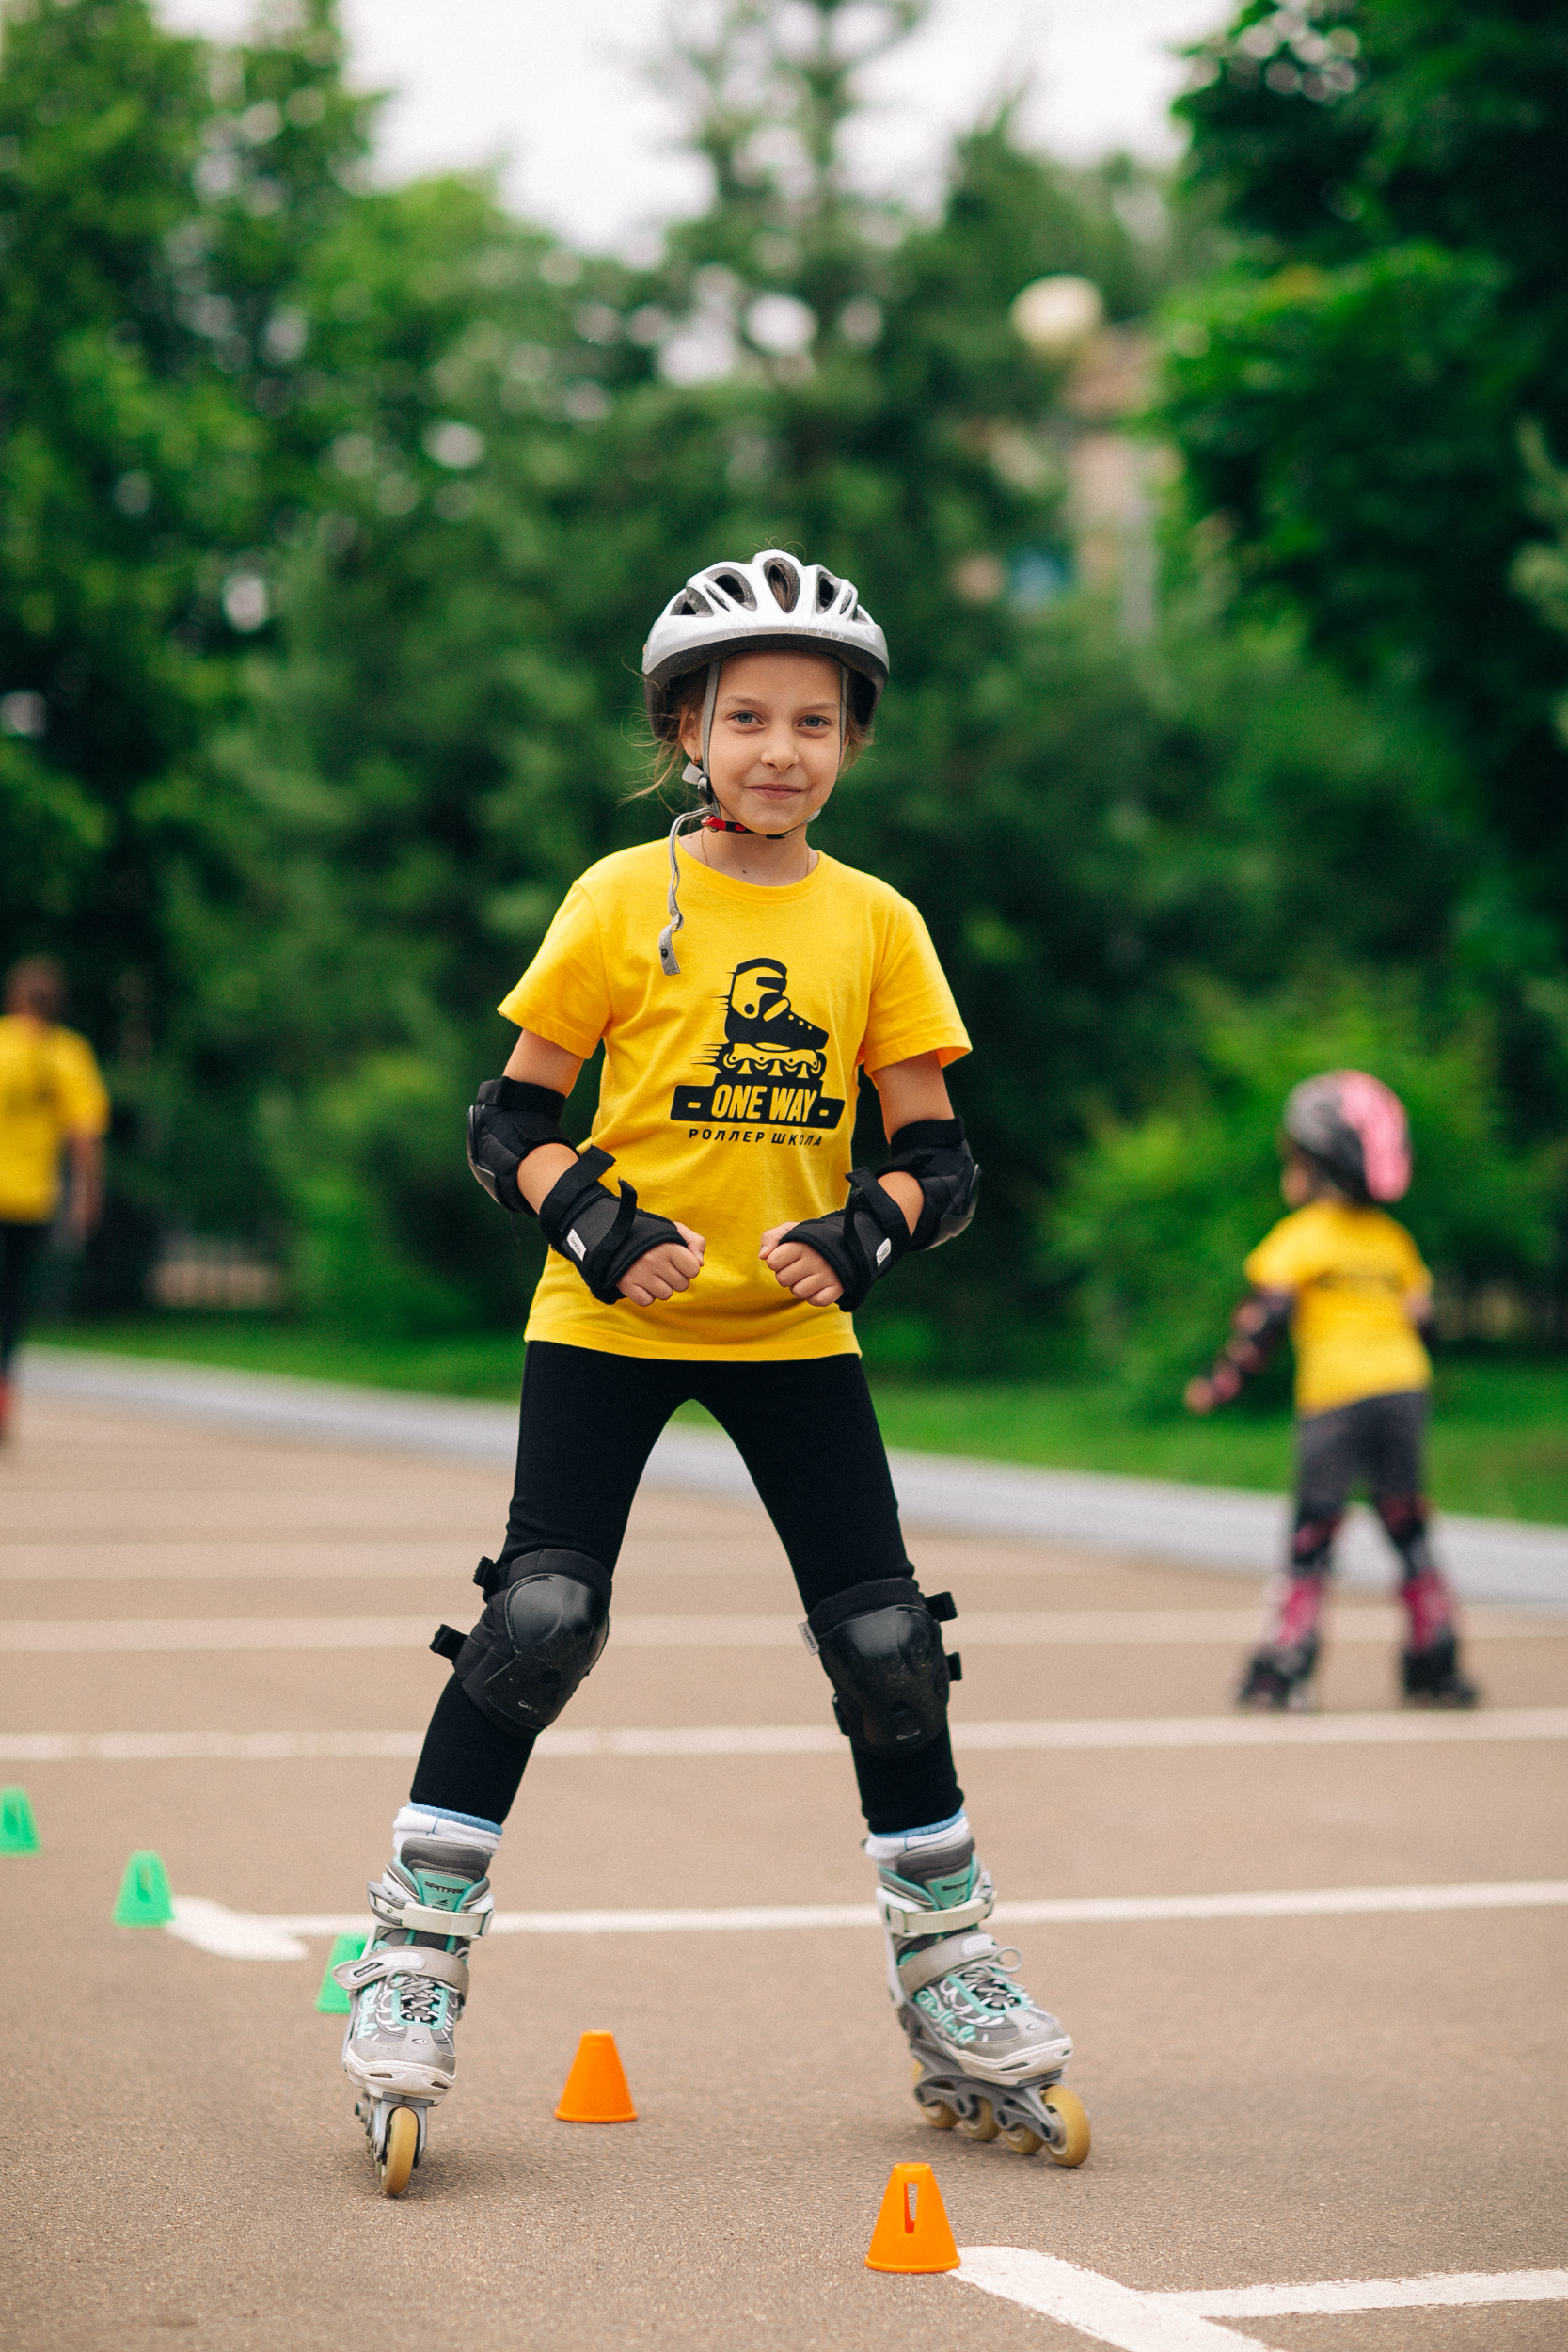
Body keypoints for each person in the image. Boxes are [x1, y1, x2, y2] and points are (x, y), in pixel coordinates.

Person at [331, 550, 1088, 2193]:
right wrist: (597, 1225)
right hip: (606, 1320)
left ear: (852, 745)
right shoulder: (620, 897)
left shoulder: (875, 922)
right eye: (744, 716)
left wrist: (869, 1233)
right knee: (540, 1619)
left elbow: (941, 1159)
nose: (779, 750)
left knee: (886, 1644)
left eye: (814, 722)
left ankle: (946, 1970)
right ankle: (410, 1956)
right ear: (686, 727)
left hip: (793, 1328)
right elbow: (508, 1124)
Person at [1186, 1069, 1478, 1713]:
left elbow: (1261, 1323)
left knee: (1314, 1529)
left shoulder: (1301, 1237)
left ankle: (1285, 1667)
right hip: (1403, 1391)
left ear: (1315, 1162)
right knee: (1405, 1521)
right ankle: (1435, 1659)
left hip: (1335, 1400)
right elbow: (1424, 1323)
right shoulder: (1393, 1240)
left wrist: (1221, 1384)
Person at [0, 957, 108, 1438]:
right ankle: (3, 1394)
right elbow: (83, 1136)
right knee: (13, 1303)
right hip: (33, 1200)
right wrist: (87, 1195)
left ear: (15, 997)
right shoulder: (69, 1052)